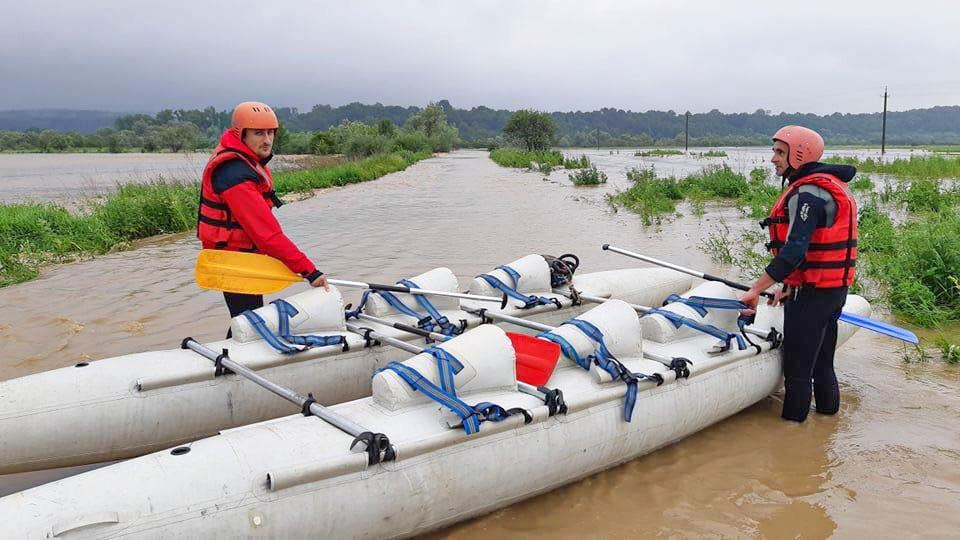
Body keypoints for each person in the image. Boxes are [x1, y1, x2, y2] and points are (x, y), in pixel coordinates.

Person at [738, 126, 858, 422]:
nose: (773, 159)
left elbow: (794, 252)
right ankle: (827, 422)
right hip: (831, 292)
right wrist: (790, 285)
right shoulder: (827, 185)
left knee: (798, 371)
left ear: (800, 154)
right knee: (822, 364)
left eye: (780, 151)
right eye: (774, 151)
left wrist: (756, 289)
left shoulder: (808, 194)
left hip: (813, 298)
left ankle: (792, 441)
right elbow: (813, 249)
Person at [198, 101, 327, 328]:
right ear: (242, 135)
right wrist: (310, 271)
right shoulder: (235, 174)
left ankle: (233, 357)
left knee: (248, 319)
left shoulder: (245, 163)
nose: (267, 140)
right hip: (235, 262)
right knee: (249, 322)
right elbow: (267, 235)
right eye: (258, 133)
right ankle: (230, 360)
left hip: (245, 258)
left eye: (270, 132)